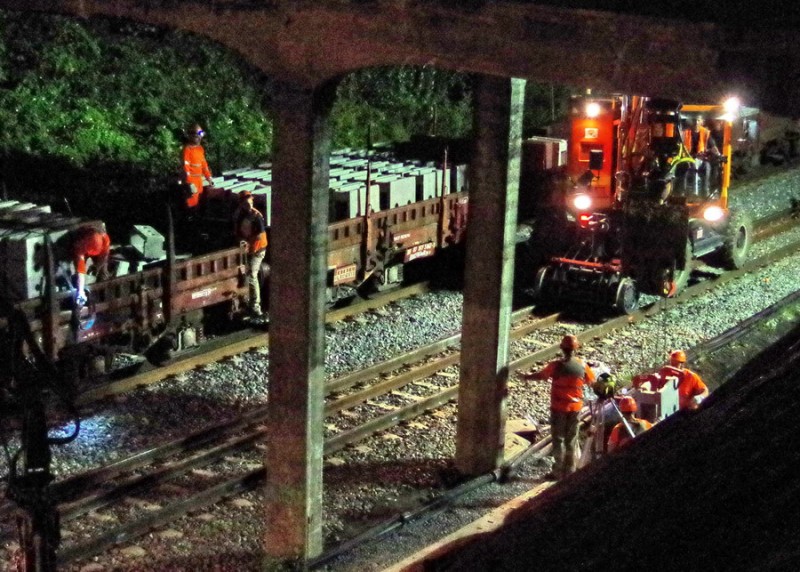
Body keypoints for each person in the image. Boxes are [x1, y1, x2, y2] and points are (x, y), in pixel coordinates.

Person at [520, 334, 596, 480]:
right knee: (571, 439)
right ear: (576, 349)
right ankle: (570, 470)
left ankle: (557, 471)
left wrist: (526, 377)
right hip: (575, 409)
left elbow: (541, 376)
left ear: (562, 348)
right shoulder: (582, 365)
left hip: (559, 408)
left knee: (558, 439)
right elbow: (591, 381)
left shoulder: (555, 366)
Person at [634, 349, 709, 411]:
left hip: (686, 412)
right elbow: (654, 379)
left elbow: (704, 390)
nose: (674, 366)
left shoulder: (691, 377)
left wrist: (700, 397)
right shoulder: (666, 373)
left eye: (676, 364)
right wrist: (645, 387)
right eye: (672, 363)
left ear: (682, 364)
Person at [234, 190, 268, 318]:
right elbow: (238, 232)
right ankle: (245, 301)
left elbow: (259, 236)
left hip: (258, 250)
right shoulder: (241, 215)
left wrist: (248, 243)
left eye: (250, 200)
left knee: (252, 275)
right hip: (248, 249)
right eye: (246, 201)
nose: (249, 203)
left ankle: (256, 306)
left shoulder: (256, 216)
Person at [72, 224, 111, 305]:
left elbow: (104, 258)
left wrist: (97, 267)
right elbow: (80, 271)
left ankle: (104, 300)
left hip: (99, 251)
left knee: (103, 273)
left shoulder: (105, 240)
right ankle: (78, 297)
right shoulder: (80, 246)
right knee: (79, 276)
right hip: (83, 248)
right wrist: (80, 291)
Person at [682, 115, 719, 193]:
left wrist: (718, 154)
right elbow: (680, 146)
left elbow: (713, 146)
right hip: (688, 158)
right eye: (694, 120)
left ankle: (705, 191)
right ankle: (683, 192)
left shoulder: (705, 132)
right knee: (683, 168)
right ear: (690, 121)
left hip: (701, 159)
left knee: (707, 167)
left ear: (702, 122)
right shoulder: (685, 133)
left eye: (698, 120)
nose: (696, 122)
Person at [182, 123, 213, 210]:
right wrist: (188, 182)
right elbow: (185, 166)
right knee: (191, 203)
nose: (199, 137)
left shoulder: (200, 149)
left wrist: (209, 177)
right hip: (191, 181)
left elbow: (204, 164)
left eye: (200, 134)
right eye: (197, 134)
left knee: (199, 202)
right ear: (192, 135)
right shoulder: (187, 149)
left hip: (199, 180)